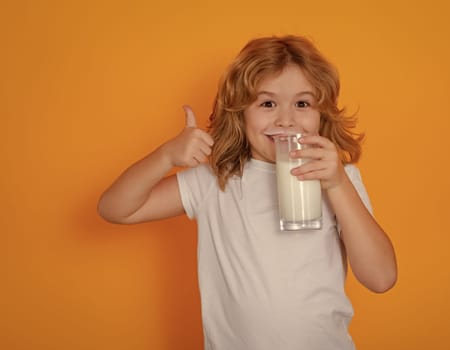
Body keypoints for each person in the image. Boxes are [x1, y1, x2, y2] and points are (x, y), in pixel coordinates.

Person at [98, 35, 397, 350]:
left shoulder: (341, 179)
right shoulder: (216, 181)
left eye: (302, 103)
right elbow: (115, 208)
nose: (286, 119)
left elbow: (381, 278)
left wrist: (337, 184)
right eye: (267, 103)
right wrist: (165, 157)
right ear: (239, 113)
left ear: (321, 114)